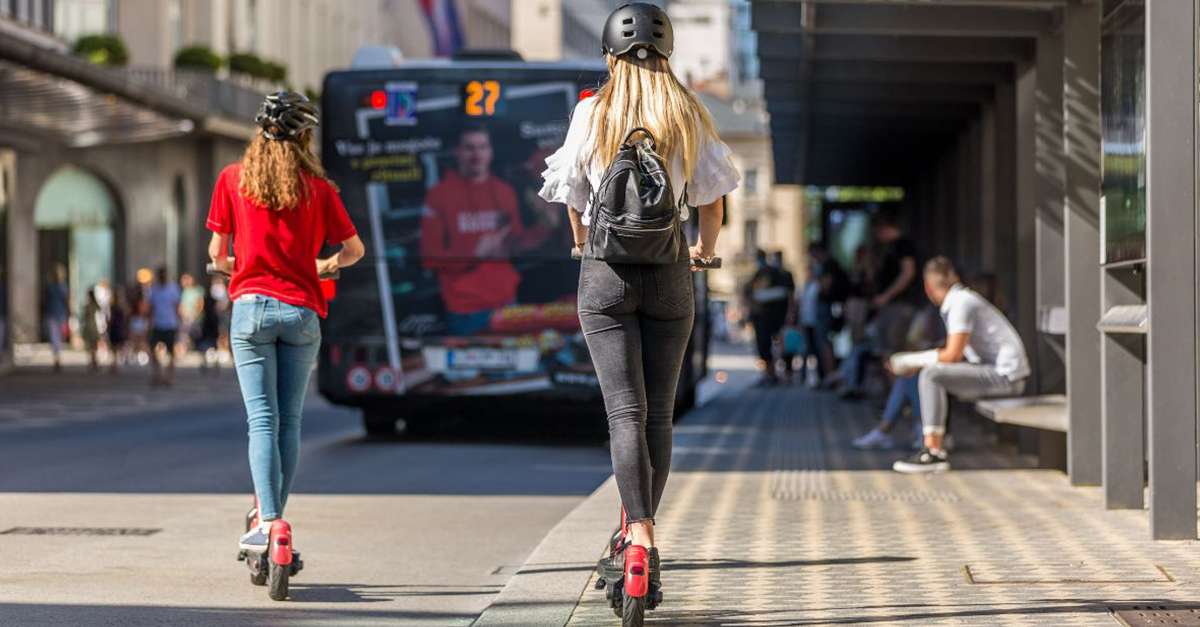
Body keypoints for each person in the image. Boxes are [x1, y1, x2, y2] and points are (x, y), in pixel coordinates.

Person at [539, 1, 739, 606]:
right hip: (671, 274)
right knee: (657, 415)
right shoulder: (687, 111)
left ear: (609, 55)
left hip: (604, 275)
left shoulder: (591, 112)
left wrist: (581, 242)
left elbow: (569, 189)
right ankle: (644, 532)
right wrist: (703, 250)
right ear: (668, 54)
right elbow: (713, 197)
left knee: (623, 413)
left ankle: (638, 536)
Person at [207, 91, 364, 551]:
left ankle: (267, 520)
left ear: (259, 133)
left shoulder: (233, 180)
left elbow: (218, 256)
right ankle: (277, 518)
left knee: (262, 420)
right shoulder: (319, 190)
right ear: (304, 139)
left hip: (251, 308)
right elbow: (354, 251)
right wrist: (324, 265)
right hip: (301, 310)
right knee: (289, 421)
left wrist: (241, 266)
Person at [892, 257, 1030, 473]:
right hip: (996, 371)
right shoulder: (960, 300)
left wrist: (909, 360)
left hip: (1006, 378)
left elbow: (952, 354)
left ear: (928, 287)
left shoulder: (960, 303)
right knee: (933, 375)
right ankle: (939, 439)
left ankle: (934, 451)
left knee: (931, 375)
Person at [420, 123, 547, 336]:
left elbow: (515, 244)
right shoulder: (438, 196)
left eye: (482, 147)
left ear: (490, 152)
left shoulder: (504, 191)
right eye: (469, 147)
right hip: (465, 311)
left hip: (507, 304)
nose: (476, 154)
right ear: (457, 152)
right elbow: (429, 258)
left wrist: (544, 227)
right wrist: (475, 253)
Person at [743, 249, 794, 386]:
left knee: (776, 346)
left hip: (772, 318)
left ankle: (778, 374)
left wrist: (790, 313)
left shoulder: (780, 274)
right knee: (765, 346)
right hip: (763, 318)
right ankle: (771, 374)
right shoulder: (760, 274)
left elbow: (788, 294)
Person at [147, 267, 181, 386]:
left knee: (171, 352)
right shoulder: (154, 289)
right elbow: (150, 307)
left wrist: (178, 322)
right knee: (152, 350)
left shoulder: (173, 288)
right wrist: (149, 323)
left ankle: (169, 377)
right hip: (157, 323)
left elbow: (177, 306)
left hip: (170, 324)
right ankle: (157, 374)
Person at [42, 265, 69, 373]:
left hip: (55, 313)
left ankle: (57, 357)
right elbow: (66, 300)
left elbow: (45, 300)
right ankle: (57, 358)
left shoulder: (54, 287)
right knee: (56, 336)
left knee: (55, 336)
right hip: (57, 313)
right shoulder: (59, 287)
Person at [107, 288, 129, 373]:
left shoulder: (114, 306)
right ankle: (115, 364)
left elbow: (111, 317)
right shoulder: (121, 305)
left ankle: (114, 364)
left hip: (116, 327)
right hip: (119, 327)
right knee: (117, 346)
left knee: (114, 347)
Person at [80, 288, 101, 371]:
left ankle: (92, 360)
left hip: (89, 326)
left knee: (90, 345)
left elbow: (84, 316)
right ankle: (94, 359)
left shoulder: (88, 305)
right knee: (93, 345)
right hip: (93, 326)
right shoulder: (94, 305)